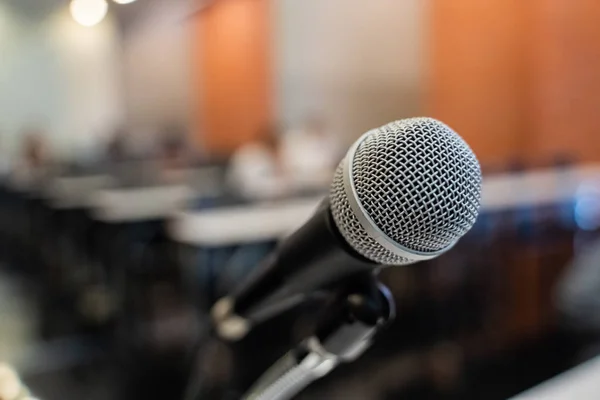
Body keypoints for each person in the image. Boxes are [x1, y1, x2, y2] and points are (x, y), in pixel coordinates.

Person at [227, 125, 288, 200]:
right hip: (241, 200)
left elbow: (285, 183)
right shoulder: (249, 156)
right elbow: (251, 188)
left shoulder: (273, 156)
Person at [280, 116, 340, 192]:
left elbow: (331, 164)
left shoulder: (329, 143)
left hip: (322, 185)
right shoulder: (298, 142)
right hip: (301, 186)